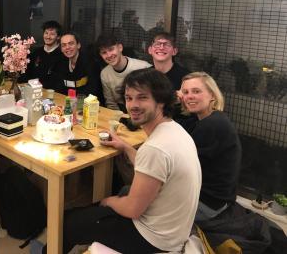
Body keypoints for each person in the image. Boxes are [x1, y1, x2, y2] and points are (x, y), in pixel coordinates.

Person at [42, 68, 201, 253]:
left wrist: (108, 201)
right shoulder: (174, 130)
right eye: (128, 98)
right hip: (173, 231)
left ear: (161, 102)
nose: (133, 105)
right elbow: (152, 170)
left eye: (142, 98)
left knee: (68, 221)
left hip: (152, 239)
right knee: (93, 210)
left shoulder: (156, 148)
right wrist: (125, 146)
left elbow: (133, 209)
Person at [180, 72, 242, 222]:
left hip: (208, 205)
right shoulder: (207, 119)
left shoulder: (211, 125)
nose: (189, 96)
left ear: (212, 95)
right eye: (185, 92)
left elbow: (179, 168)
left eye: (196, 91)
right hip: (220, 201)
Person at [97, 33, 151, 110]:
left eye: (111, 49)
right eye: (104, 52)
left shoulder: (143, 67)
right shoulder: (105, 74)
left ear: (120, 48)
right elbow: (111, 103)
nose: (108, 55)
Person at [54, 32, 100, 97]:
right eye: (64, 45)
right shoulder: (60, 62)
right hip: (68, 101)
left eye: (71, 43)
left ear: (78, 45)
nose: (67, 47)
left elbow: (93, 89)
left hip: (88, 103)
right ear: (61, 49)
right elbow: (59, 87)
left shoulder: (90, 62)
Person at [23, 20, 65, 88]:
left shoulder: (62, 55)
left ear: (58, 37)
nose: (48, 37)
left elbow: (57, 81)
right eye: (46, 33)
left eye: (52, 34)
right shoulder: (37, 52)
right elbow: (28, 72)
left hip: (52, 93)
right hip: (33, 89)